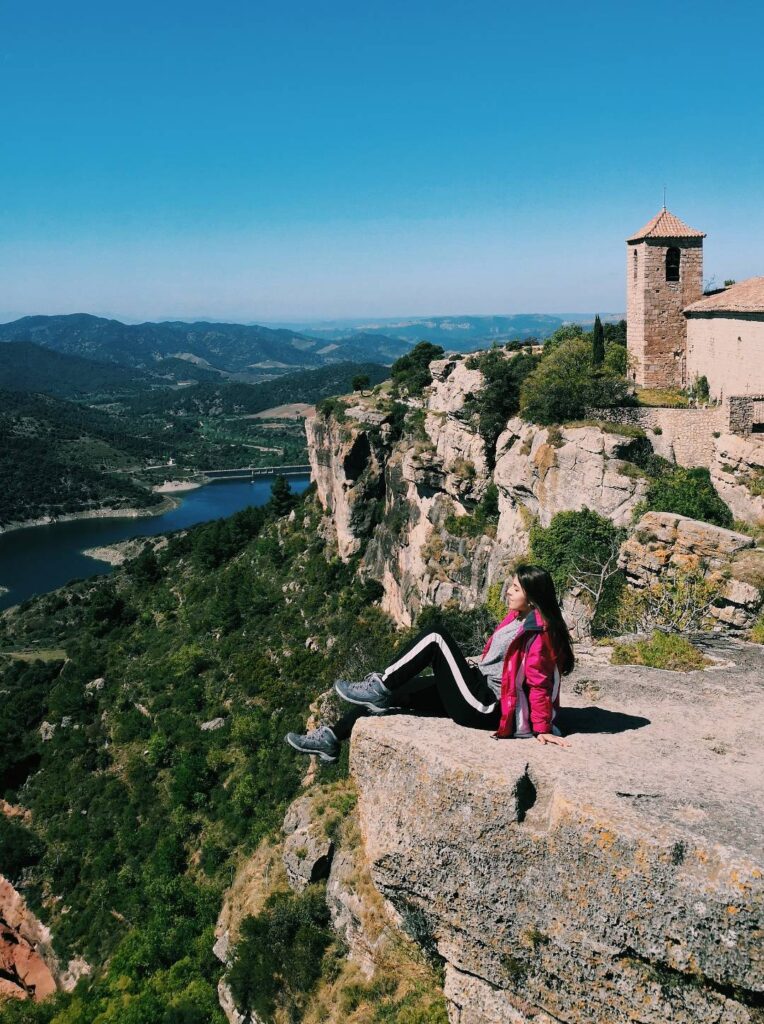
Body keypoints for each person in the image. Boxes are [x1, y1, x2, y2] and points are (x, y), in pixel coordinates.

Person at [285, 564, 574, 763]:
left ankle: (381, 683)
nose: (508, 591)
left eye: (515, 588)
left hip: (485, 704)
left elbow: (539, 683)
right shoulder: (519, 617)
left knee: (436, 636)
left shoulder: (540, 632)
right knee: (389, 698)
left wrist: (542, 727)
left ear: (533, 597)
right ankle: (332, 738)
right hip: (476, 686)